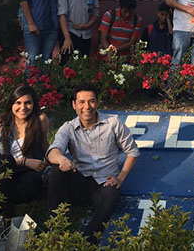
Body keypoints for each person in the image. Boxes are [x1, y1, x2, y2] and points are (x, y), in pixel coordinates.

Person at [47, 84, 139, 243]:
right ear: (74, 105)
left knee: (111, 195)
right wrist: (62, 159)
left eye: (91, 101)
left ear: (97, 103)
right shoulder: (68, 128)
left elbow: (132, 152)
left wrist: (120, 177)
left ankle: (87, 243)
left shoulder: (113, 123)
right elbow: (52, 151)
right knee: (56, 170)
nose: (87, 107)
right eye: (81, 102)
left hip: (105, 183)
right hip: (80, 182)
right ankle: (55, 229)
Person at [0, 86, 49, 220]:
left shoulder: (40, 120)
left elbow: (45, 146)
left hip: (25, 173)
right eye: (18, 103)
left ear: (34, 104)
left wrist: (56, 160)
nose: (23, 107)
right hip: (2, 172)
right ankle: (8, 215)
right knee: (7, 160)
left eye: (28, 103)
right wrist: (25, 162)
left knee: (34, 181)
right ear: (11, 104)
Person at [58, 0, 99, 65]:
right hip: (70, 33)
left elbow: (95, 12)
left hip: (86, 35)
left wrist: (88, 25)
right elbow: (62, 15)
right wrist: (67, 39)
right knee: (67, 66)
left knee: (82, 66)